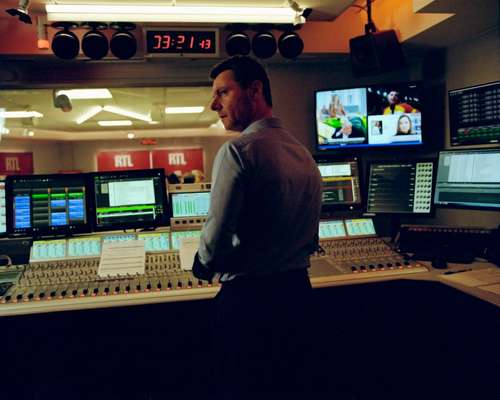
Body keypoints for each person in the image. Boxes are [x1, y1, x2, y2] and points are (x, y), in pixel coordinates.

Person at [191, 56, 322, 396]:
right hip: (298, 296)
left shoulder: (238, 151)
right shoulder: (304, 154)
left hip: (250, 306)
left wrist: (202, 265)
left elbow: (216, 237)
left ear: (254, 90)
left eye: (223, 93)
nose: (213, 104)